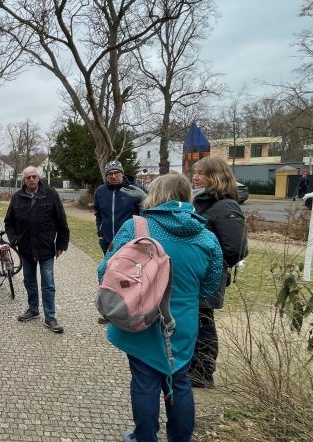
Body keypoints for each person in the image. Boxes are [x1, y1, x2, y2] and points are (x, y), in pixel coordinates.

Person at [98, 174, 223, 442]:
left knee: (144, 382)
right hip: (183, 322)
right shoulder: (206, 236)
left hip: (140, 317)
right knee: (179, 380)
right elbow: (211, 287)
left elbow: (103, 271)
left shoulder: (136, 227)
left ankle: (145, 437)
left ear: (155, 195)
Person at [189, 157, 248, 389]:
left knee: (204, 322)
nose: (195, 177)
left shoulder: (225, 206)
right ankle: (194, 367)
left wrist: (214, 266)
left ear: (216, 176)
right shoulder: (205, 202)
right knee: (196, 320)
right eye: (195, 172)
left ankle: (203, 373)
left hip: (208, 275)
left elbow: (237, 248)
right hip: (197, 274)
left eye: (201, 173)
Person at [4, 166, 70, 333]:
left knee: (48, 283)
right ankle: (33, 309)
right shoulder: (17, 197)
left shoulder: (50, 194)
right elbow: (9, 222)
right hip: (26, 248)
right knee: (29, 281)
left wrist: (61, 243)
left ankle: (50, 316)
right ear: (24, 180)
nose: (32, 179)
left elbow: (61, 219)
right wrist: (14, 239)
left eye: (34, 177)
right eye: (28, 177)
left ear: (38, 178)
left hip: (46, 247)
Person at [93, 160, 147, 324]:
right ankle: (109, 310)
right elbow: (98, 213)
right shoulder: (100, 192)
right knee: (107, 273)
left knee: (128, 277)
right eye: (110, 174)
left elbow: (144, 213)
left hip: (130, 242)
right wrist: (100, 232)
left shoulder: (135, 191)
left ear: (122, 173)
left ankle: (130, 309)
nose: (114, 176)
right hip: (108, 241)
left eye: (117, 173)